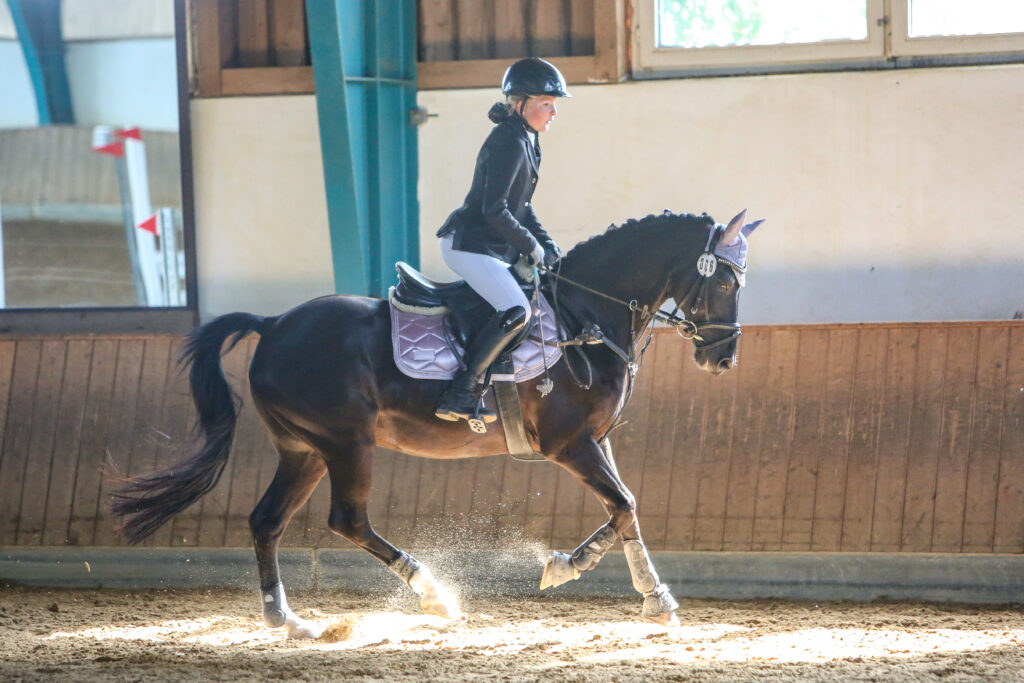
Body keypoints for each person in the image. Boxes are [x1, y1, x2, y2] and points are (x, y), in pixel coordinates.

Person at [434, 57, 569, 424]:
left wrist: (545, 242)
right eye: (547, 104)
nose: (553, 112)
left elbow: (521, 206)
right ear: (520, 103)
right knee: (516, 312)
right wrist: (530, 246)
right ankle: (461, 391)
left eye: (554, 104)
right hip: (469, 245)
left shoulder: (527, 139)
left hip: (490, 247)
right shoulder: (507, 142)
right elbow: (495, 211)